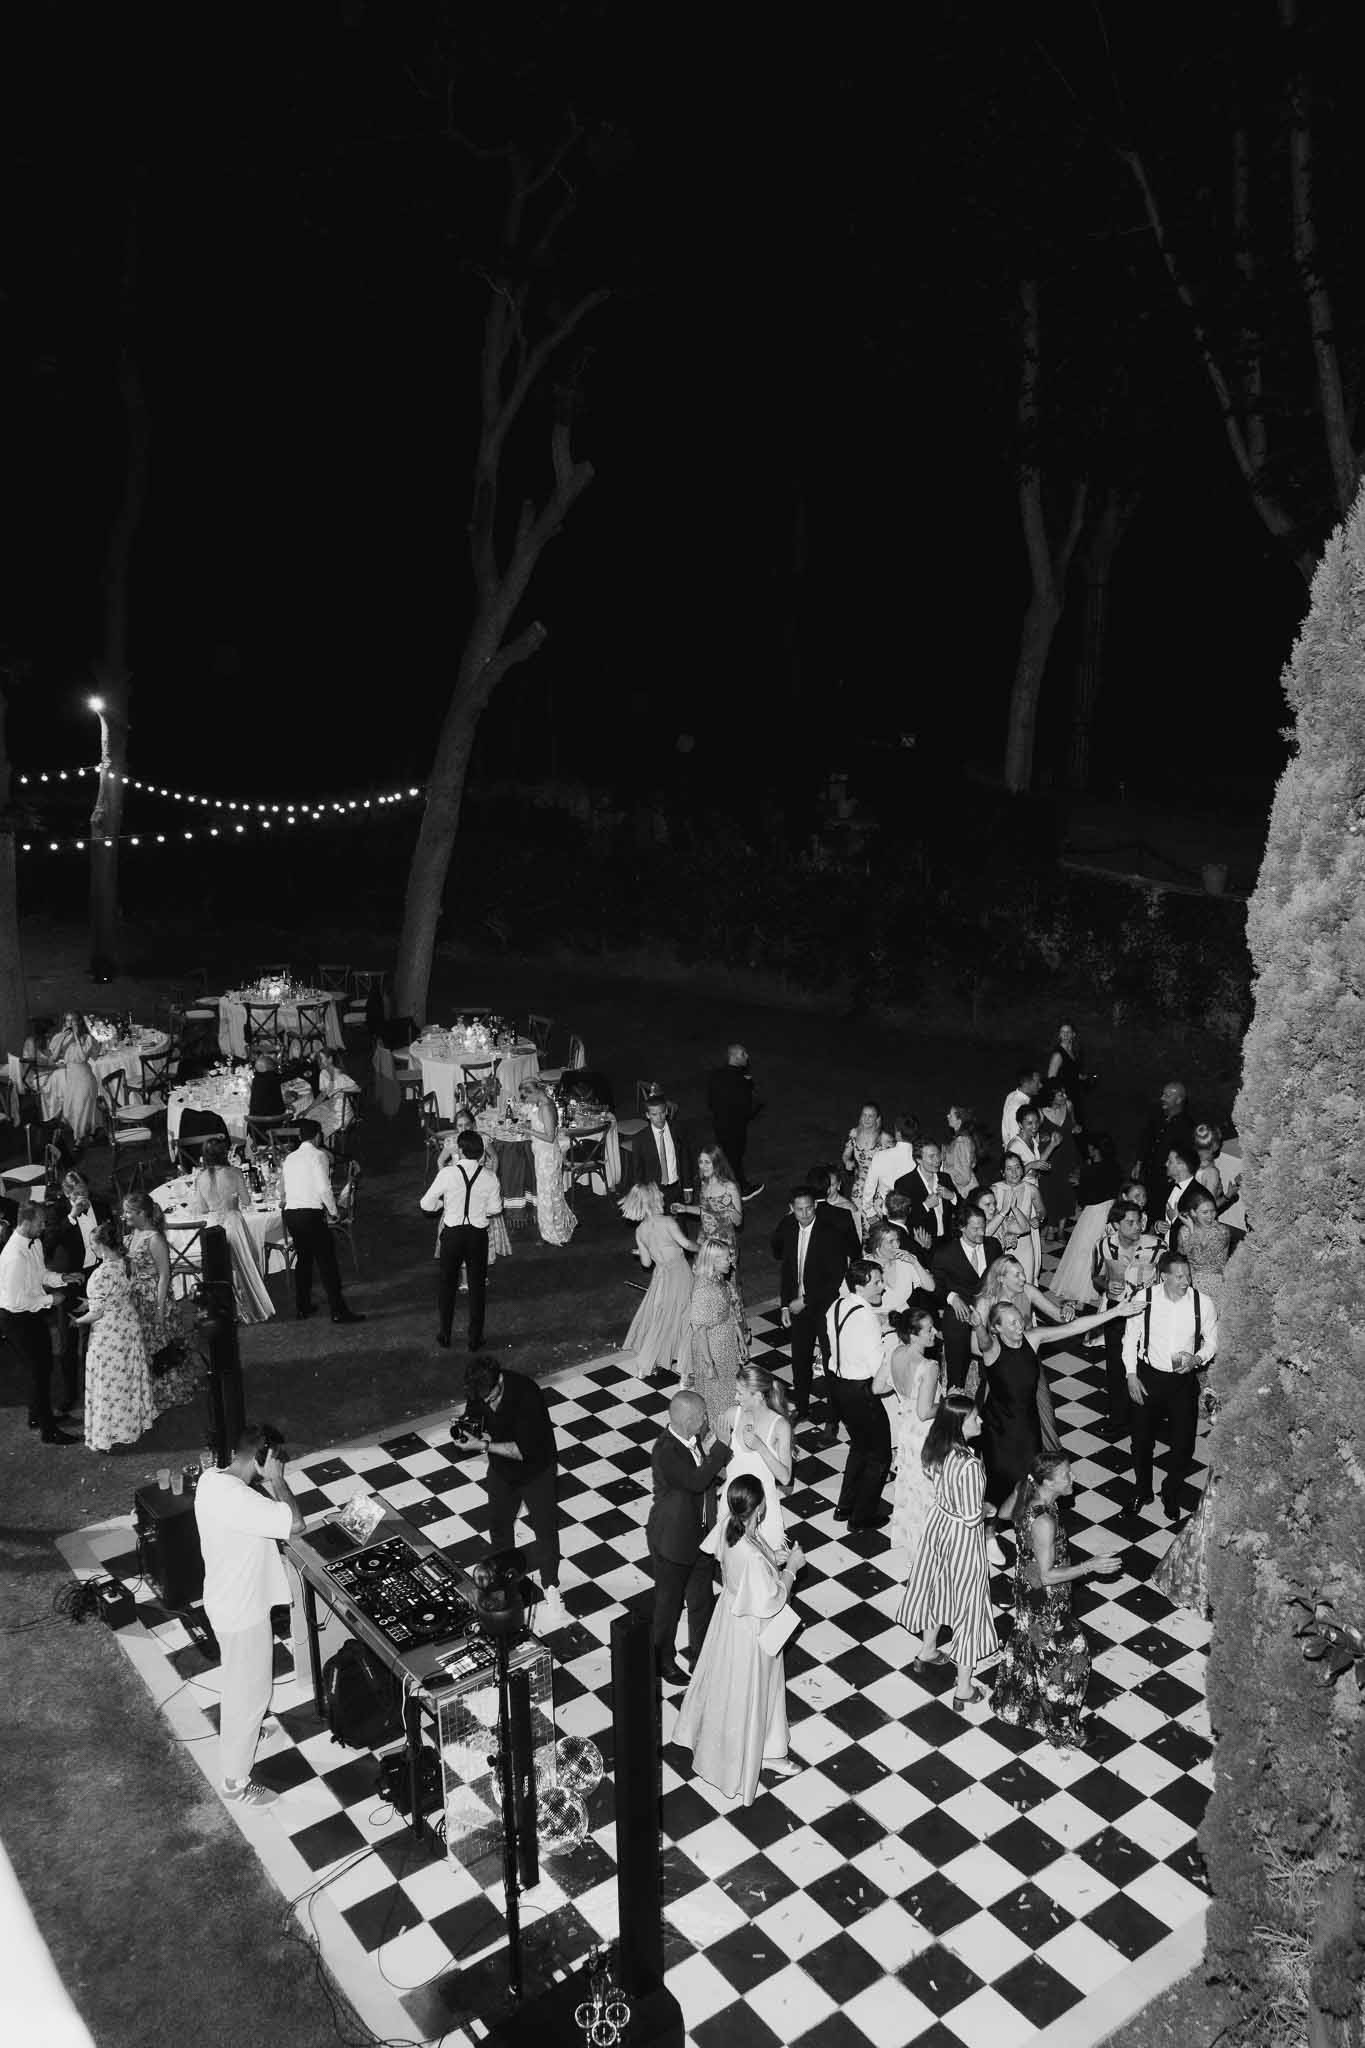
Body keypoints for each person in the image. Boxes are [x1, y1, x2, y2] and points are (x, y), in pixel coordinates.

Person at [673, 1473, 804, 1803]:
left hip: (729, 1617)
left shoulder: (729, 1525)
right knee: (756, 1690)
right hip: (751, 1630)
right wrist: (792, 1569)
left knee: (734, 1687)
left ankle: (767, 1748)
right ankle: (755, 1756)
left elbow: (749, 1561)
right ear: (759, 1508)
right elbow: (771, 1599)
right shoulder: (752, 1555)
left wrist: (775, 1559)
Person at [194, 1424, 304, 1806]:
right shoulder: (244, 1501)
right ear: (262, 1458)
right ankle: (235, 1782)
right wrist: (277, 1482)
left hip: (224, 1603)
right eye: (275, 1460)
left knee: (240, 1682)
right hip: (243, 1613)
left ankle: (250, 1734)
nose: (279, 1466)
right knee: (250, 1694)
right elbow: (295, 1523)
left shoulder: (210, 1480)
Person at [991, 1451, 1122, 1748]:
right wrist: (1091, 1566)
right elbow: (1049, 1575)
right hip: (1045, 1598)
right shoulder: (1044, 1521)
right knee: (1072, 1659)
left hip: (1026, 1586)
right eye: (1065, 1475)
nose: (1072, 1478)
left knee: (1032, 1646)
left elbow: (1002, 1514)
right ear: (1048, 1481)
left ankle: (1016, 1706)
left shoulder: (1028, 1492)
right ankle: (1061, 1727)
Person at [978, 1295, 1141, 1526]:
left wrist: (1115, 1312)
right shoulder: (992, 1350)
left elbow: (1073, 1327)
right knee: (999, 1485)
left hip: (1027, 1426)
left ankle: (1030, 1532)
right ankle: (989, 1533)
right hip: (998, 1430)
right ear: (997, 1328)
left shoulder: (1032, 1339)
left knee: (1030, 1482)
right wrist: (977, 1324)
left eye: (1019, 1320)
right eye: (1012, 1323)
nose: (1019, 1326)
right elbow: (983, 1341)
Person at [896, 1392, 998, 1712]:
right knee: (970, 1606)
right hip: (962, 1538)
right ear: (959, 1425)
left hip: (937, 1527)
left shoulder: (937, 1449)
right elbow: (971, 1517)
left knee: (937, 1589)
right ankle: (964, 1687)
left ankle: (927, 1651)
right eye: (974, 1418)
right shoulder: (969, 1465)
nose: (980, 1420)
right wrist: (989, 1508)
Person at [456, 1357, 567, 1634]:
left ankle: (551, 1585)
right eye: (483, 1398)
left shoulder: (527, 1394)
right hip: (502, 1472)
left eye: (492, 1397)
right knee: (498, 1526)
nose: (488, 1403)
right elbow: (477, 1421)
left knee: (545, 1529)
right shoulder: (479, 1392)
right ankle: (502, 1582)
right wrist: (467, 1433)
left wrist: (482, 1445)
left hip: (536, 1471)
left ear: (500, 1381)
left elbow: (521, 1451)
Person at [1121, 1251, 1218, 1522]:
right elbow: (1130, 1339)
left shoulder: (1203, 1303)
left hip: (1182, 1383)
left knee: (1184, 1446)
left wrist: (1198, 1358)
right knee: (1141, 1442)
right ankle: (1143, 1491)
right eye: (1179, 1276)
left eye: (1187, 1275)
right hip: (1148, 1378)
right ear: (1163, 1276)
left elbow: (1212, 1340)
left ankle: (1170, 1491)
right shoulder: (1144, 1299)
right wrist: (1131, 1375)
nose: (1185, 1281)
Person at [647, 1389, 731, 1685]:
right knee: (668, 1605)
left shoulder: (692, 1439)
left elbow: (707, 1474)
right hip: (672, 1542)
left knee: (701, 1601)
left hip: (700, 1538)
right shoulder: (666, 1450)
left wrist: (717, 1452)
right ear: (689, 1420)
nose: (707, 1419)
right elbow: (696, 1482)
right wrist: (720, 1448)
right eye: (703, 1416)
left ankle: (701, 1656)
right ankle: (661, 1660)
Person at [770, 1183, 857, 1423]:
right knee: (800, 1360)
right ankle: (802, 1407)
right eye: (799, 1210)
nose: (805, 1214)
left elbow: (835, 1276)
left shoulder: (830, 1233)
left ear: (815, 1206)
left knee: (830, 1362)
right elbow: (786, 1269)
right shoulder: (787, 1227)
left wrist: (805, 1301)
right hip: (797, 1306)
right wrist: (786, 1305)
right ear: (791, 1209)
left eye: (809, 1208)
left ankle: (834, 1416)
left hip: (824, 1305)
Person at [72, 1221, 156, 1453]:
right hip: (128, 1325)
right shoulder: (126, 1263)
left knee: (110, 1380)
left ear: (99, 1245)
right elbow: (117, 1295)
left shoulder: (100, 1274)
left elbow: (97, 1312)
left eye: (92, 1243)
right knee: (129, 1374)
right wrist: (91, 1304)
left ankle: (114, 1431)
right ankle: (135, 1421)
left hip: (109, 1333)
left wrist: (77, 1320)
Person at [0, 1205, 79, 1443]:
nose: (43, 1227)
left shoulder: (33, 1243)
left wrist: (62, 1278)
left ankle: (37, 1415)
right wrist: (50, 1299)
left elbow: (41, 1274)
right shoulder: (14, 1256)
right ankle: (48, 1430)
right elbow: (15, 1301)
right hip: (16, 1319)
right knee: (38, 1371)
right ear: (26, 1222)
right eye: (40, 1223)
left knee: (43, 1367)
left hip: (31, 1314)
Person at [421, 1128, 505, 1351]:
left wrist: (443, 1206)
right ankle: (475, 1339)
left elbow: (426, 1204)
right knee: (477, 1288)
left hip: (452, 1235)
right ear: (482, 1154)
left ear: (460, 1150)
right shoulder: (490, 1177)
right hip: (477, 1236)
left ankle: (445, 1334)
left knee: (447, 1285)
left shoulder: (447, 1174)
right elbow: (496, 1209)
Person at [825, 1258, 891, 1529]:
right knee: (880, 1454)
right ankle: (862, 1516)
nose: (882, 1287)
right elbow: (878, 1373)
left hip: (838, 1387)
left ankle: (845, 1506)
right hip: (860, 1390)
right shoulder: (867, 1319)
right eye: (876, 1282)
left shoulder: (838, 1304)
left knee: (860, 1447)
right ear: (861, 1286)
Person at [280, 1120, 364, 1326]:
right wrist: (334, 1212)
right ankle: (338, 1310)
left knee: (304, 1261)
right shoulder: (319, 1156)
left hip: (292, 1214)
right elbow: (324, 1189)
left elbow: (281, 1188)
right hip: (310, 1214)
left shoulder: (289, 1158)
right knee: (327, 1263)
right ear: (318, 1136)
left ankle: (303, 1306)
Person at [121, 1192, 199, 1413]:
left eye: (128, 1212)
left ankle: (173, 1391)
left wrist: (159, 1309)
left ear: (142, 1213)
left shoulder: (155, 1239)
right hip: (138, 1299)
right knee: (147, 1345)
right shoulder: (132, 1234)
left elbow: (164, 1275)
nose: (123, 1215)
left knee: (163, 1345)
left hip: (156, 1298)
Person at [874, 1308, 941, 1565]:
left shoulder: (895, 1352)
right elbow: (925, 1412)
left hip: (905, 1429)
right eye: (928, 1330)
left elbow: (877, 1387)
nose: (934, 1332)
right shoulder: (929, 1366)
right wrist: (947, 1404)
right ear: (913, 1335)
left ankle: (914, 1546)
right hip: (925, 1433)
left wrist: (903, 1390)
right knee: (930, 1491)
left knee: (912, 1488)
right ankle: (931, 1548)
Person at [1090, 1199, 1160, 1435]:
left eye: (1139, 1221)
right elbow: (1096, 1277)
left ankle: (1146, 1417)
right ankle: (1118, 1417)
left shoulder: (1157, 1247)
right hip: (1116, 1313)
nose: (1137, 1226)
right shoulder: (1103, 1246)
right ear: (1116, 1224)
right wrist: (1107, 1285)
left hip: (1146, 1314)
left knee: (1145, 1364)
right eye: (1130, 1222)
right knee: (1116, 1365)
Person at [193, 1137, 275, 1324]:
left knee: (222, 1267)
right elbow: (246, 1201)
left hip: (214, 1225)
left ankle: (227, 1308)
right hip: (233, 1221)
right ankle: (248, 1306)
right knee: (243, 1264)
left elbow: (203, 1208)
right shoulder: (234, 1172)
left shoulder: (201, 1178)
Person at [619, 1181, 694, 1380]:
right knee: (686, 1313)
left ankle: (645, 1365)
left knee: (660, 1316)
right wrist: (703, 1246)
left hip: (660, 1277)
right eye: (659, 1194)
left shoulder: (640, 1231)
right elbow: (685, 1244)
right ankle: (686, 1366)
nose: (662, 1195)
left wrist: (643, 1251)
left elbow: (645, 1263)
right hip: (680, 1273)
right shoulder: (668, 1222)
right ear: (654, 1199)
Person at [718, 1365, 792, 1549]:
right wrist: (721, 1444)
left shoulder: (780, 1426)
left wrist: (760, 1446)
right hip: (733, 1501)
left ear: (758, 1396)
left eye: (740, 1393)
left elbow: (785, 1477)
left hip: (762, 1507)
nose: (735, 1398)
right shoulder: (732, 1415)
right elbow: (709, 1455)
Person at [678, 1240, 746, 1437]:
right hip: (712, 1348)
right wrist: (709, 1364)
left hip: (725, 1342)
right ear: (713, 1261)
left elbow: (728, 1311)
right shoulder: (702, 1289)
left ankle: (726, 1429)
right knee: (714, 1395)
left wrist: (739, 1336)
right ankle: (717, 1438)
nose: (731, 1261)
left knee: (728, 1389)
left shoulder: (718, 1278)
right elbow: (699, 1331)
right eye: (726, 1258)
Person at [933, 1202, 1003, 1390]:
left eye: (983, 1226)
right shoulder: (945, 1254)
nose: (981, 1232)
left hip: (990, 1307)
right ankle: (956, 1388)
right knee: (955, 1332)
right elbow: (936, 1288)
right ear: (962, 1228)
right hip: (961, 1308)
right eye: (975, 1228)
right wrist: (951, 1297)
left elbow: (1002, 1274)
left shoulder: (993, 1246)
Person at [1050, 1134, 1124, 1305]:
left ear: (1095, 1150)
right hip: (1111, 1211)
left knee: (1084, 1249)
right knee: (1103, 1249)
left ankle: (1080, 1286)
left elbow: (1084, 1199)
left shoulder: (1090, 1170)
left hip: (1093, 1213)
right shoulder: (1116, 1167)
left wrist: (1079, 1183)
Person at [706, 1043, 764, 1199]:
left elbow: (710, 1102)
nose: (747, 1056)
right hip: (735, 1127)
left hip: (719, 1125)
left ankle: (724, 1185)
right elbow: (748, 1108)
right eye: (743, 1054)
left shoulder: (716, 1075)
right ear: (735, 1057)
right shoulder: (741, 1081)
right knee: (735, 1157)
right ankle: (741, 1189)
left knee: (726, 1156)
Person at [1135, 1081, 1197, 1207]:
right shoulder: (1157, 1117)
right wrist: (1139, 1162)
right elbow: (1146, 1140)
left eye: (1167, 1096)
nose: (1162, 1098)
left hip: (1165, 1182)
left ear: (1179, 1100)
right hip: (1148, 1175)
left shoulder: (1186, 1127)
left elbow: (1184, 1159)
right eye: (1163, 1094)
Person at [1174, 1184, 1231, 1314]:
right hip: (1189, 1285)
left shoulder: (1221, 1231)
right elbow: (1181, 1255)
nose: (1210, 1216)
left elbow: (1200, 1259)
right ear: (1193, 1212)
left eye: (1213, 1211)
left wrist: (1192, 1232)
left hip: (1215, 1286)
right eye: (1205, 1212)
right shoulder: (1184, 1231)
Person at [989, 1151, 1046, 1284]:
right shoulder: (995, 1190)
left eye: (1017, 1167)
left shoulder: (1031, 1189)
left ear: (1022, 1169)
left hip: (1025, 1244)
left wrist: (1038, 1218)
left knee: (1025, 1284)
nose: (1014, 1173)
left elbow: (1042, 1211)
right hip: (1001, 1245)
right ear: (1003, 1172)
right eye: (1009, 1169)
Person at [630, 1094, 694, 1210]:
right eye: (654, 1114)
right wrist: (641, 1194)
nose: (659, 1118)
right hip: (654, 1191)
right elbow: (637, 1170)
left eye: (662, 1113)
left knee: (678, 1224)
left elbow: (685, 1159)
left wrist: (687, 1187)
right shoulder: (640, 1139)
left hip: (676, 1187)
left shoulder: (678, 1130)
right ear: (647, 1115)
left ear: (667, 1112)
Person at [893, 1138, 959, 1246]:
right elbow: (902, 1219)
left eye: (938, 1155)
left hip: (947, 1242)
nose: (937, 1160)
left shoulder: (945, 1178)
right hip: (921, 1245)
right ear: (918, 1159)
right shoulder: (904, 1184)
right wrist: (925, 1206)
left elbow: (962, 1208)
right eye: (931, 1157)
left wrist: (952, 1197)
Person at [859, 1109, 917, 1227]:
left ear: (897, 1133)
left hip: (889, 1216)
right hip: (916, 1215)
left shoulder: (881, 1156)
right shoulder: (920, 1158)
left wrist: (870, 1214)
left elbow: (869, 1188)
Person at [867, 1221, 934, 1320]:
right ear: (877, 1245)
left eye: (897, 1240)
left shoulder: (905, 1261)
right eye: (891, 1242)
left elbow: (931, 1287)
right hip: (873, 1319)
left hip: (903, 1320)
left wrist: (915, 1263)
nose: (897, 1246)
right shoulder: (863, 1267)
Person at [49, 1012, 99, 1145]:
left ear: (80, 1023)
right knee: (73, 1107)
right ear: (64, 1023)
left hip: (85, 1077)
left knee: (81, 1106)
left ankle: (79, 1139)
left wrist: (76, 1037)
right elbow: (54, 1057)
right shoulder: (60, 1038)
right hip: (71, 1078)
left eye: (74, 1021)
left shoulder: (87, 1038)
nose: (70, 1024)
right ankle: (89, 1132)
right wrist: (62, 1037)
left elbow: (82, 1057)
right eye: (67, 1021)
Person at [1045, 1022, 1092, 1131]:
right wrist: (1061, 1099)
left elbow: (1070, 1072)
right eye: (1062, 1032)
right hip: (1065, 1097)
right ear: (1059, 1035)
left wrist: (1080, 1077)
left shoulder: (1073, 1051)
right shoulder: (1058, 1055)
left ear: (1073, 1034)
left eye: (1068, 1032)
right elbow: (1051, 1080)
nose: (1065, 1035)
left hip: (1076, 1093)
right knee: (1071, 1128)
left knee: (1080, 1126)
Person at [841, 1102, 884, 1216]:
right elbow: (846, 1154)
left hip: (878, 1187)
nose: (867, 1119)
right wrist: (847, 1162)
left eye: (871, 1116)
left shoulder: (883, 1138)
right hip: (860, 1185)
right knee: (858, 1218)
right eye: (864, 1115)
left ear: (877, 1119)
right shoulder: (854, 1134)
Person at [807, 1158, 863, 1242]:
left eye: (832, 1185)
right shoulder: (811, 1202)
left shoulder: (848, 1208)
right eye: (825, 1184)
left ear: (839, 1185)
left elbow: (856, 1238)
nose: (828, 1189)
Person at [942, 1105, 987, 1202]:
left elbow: (964, 1177)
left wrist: (943, 1170)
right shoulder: (961, 1140)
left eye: (951, 1115)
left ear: (959, 1121)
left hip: (965, 1194)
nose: (947, 1116)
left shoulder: (961, 1141)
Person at [1161, 1143, 1200, 1235]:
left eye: (1170, 1162)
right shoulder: (1165, 1187)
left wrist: (1175, 1218)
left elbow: (1199, 1230)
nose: (1166, 1164)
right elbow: (1155, 1214)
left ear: (1182, 1166)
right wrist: (1157, 1226)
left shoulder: (1199, 1195)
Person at [1000, 1066, 1041, 1152]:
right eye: (1037, 1083)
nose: (1040, 1085)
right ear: (1026, 1084)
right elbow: (1014, 1136)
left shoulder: (1012, 1095)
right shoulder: (1018, 1106)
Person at [247, 1054, 288, 1122]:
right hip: (275, 1124)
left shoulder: (256, 1079)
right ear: (268, 1067)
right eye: (271, 1066)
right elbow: (288, 1075)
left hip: (256, 1125)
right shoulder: (272, 1078)